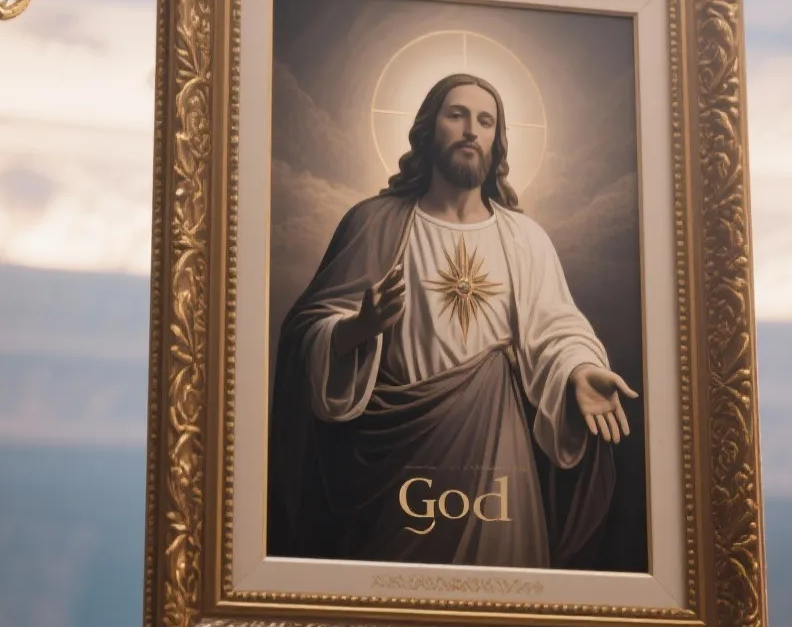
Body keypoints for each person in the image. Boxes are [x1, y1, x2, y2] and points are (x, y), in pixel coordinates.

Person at [267, 72, 638, 569]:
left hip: (499, 464)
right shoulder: (374, 223)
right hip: (394, 466)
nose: (470, 130)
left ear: (496, 139)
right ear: (429, 128)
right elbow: (305, 333)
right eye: (457, 114)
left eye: (485, 121)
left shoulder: (525, 239)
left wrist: (578, 371)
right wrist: (357, 328)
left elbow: (557, 331)